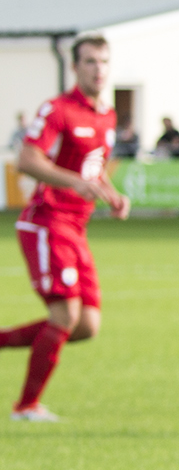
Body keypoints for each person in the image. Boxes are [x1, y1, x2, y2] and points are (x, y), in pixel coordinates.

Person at [3, 35, 130, 421]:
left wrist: (111, 194)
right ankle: (26, 407)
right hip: (46, 222)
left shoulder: (106, 116)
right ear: (75, 67)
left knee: (87, 325)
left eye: (103, 61)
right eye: (90, 61)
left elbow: (91, 171)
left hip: (77, 228)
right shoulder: (57, 110)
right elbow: (26, 160)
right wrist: (71, 182)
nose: (98, 69)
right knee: (64, 317)